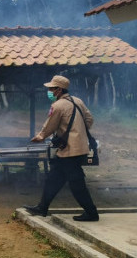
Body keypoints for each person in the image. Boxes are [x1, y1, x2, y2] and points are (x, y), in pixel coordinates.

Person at [24, 75, 99, 222]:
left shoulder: (57, 106)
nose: (50, 91)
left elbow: (50, 125)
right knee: (54, 179)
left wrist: (40, 136)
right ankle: (42, 207)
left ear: (59, 90)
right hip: (77, 148)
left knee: (77, 184)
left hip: (70, 150)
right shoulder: (78, 101)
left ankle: (91, 213)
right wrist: (79, 132)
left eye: (52, 88)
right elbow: (90, 119)